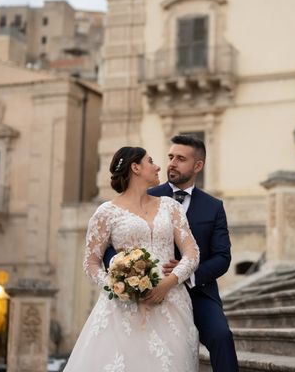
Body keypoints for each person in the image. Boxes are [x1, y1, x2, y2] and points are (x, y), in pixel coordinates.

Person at [104, 135, 239, 372]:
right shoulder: (146, 193)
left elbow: (222, 257)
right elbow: (108, 244)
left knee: (221, 336)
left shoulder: (213, 206)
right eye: (170, 157)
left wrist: (186, 274)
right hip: (143, 288)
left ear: (198, 166)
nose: (172, 163)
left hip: (197, 291)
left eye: (181, 159)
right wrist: (123, 270)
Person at [64, 146, 200, 371]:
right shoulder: (106, 213)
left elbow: (192, 252)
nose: (158, 167)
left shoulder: (171, 206)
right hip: (124, 307)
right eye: (151, 161)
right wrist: (117, 286)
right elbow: (91, 263)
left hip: (172, 303)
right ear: (135, 167)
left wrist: (169, 282)